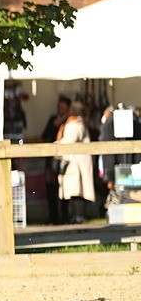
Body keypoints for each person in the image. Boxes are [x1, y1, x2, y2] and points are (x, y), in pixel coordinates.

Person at [56, 102, 96, 223]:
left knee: (76, 190)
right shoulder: (78, 123)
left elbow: (69, 141)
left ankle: (78, 216)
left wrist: (54, 146)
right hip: (76, 160)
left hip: (75, 162)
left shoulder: (74, 124)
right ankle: (75, 216)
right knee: (75, 189)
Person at [41, 95, 71, 224]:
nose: (60, 110)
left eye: (63, 107)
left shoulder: (70, 121)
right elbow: (45, 136)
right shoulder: (53, 119)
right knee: (51, 187)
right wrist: (54, 125)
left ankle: (65, 215)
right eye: (59, 107)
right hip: (52, 158)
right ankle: (53, 216)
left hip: (65, 159)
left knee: (65, 186)